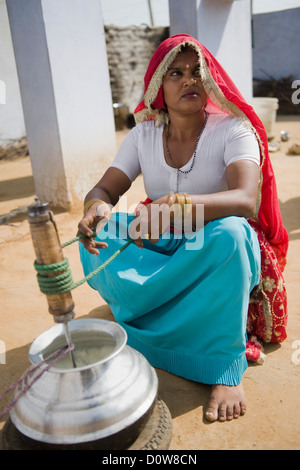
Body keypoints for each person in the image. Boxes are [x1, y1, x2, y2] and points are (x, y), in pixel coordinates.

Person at [77, 34, 288, 422]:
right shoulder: (143, 134)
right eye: (176, 73)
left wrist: (175, 208)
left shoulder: (232, 129)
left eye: (197, 72)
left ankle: (222, 365)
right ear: (159, 86)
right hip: (159, 237)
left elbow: (245, 200)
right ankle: (155, 317)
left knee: (233, 235)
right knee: (101, 233)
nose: (189, 80)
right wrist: (96, 208)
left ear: (209, 82)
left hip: (209, 247)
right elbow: (106, 188)